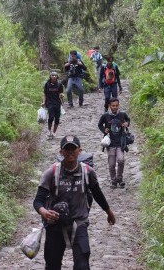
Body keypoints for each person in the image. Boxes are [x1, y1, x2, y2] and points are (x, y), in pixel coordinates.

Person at [33, 135, 116, 269]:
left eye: (73, 148)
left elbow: (97, 194)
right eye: (67, 149)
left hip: (79, 223)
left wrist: (109, 212)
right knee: (52, 265)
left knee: (82, 265)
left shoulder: (88, 172)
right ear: (61, 152)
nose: (70, 152)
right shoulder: (51, 173)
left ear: (80, 151)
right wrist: (44, 212)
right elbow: (38, 201)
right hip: (55, 224)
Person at [97, 98, 130, 189]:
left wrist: (126, 124)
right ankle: (113, 180)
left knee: (121, 160)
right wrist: (104, 130)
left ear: (118, 105)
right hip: (110, 144)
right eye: (113, 106)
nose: (115, 107)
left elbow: (128, 120)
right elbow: (99, 124)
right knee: (111, 164)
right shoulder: (105, 116)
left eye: (116, 105)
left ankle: (119, 178)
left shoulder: (122, 114)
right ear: (109, 106)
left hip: (120, 143)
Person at [42, 71, 64, 140]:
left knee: (57, 119)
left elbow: (61, 93)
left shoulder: (59, 84)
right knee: (51, 118)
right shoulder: (47, 84)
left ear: (57, 77)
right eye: (52, 75)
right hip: (49, 103)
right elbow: (45, 94)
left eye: (55, 75)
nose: (54, 76)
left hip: (57, 103)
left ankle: (54, 133)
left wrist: (62, 97)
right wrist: (43, 102)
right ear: (50, 76)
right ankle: (49, 132)